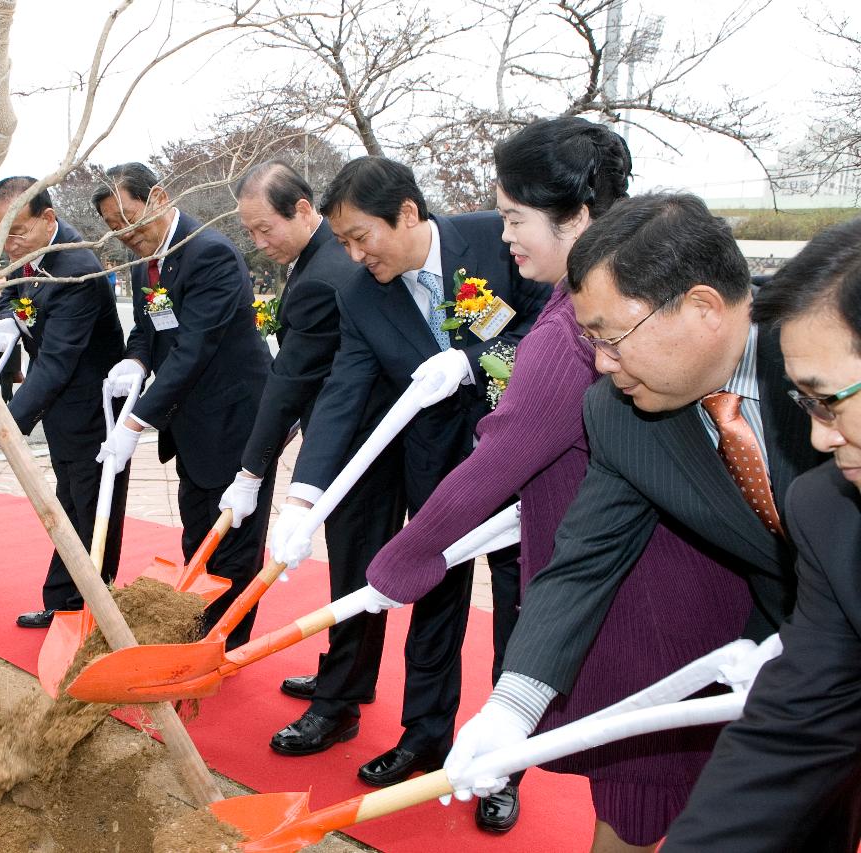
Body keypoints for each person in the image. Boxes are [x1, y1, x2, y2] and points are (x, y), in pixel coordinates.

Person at [364, 119, 752, 846]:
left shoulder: (581, 325)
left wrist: (405, 555)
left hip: (645, 597)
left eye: (515, 218)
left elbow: (505, 451)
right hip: (638, 567)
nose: (504, 236)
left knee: (642, 794)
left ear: (576, 216)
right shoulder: (592, 313)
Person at [443, 193, 828, 837]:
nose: (600, 363)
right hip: (775, 653)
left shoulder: (830, 353)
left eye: (611, 338)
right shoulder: (618, 411)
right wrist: (511, 708)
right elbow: (585, 561)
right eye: (590, 340)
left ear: (703, 308)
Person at [266, 156, 547, 792]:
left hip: (523, 455)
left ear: (409, 214)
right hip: (436, 462)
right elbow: (345, 387)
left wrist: (472, 362)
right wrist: (303, 497)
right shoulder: (365, 296)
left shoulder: (497, 245)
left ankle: (505, 769)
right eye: (341, 243)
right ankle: (423, 737)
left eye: (361, 237)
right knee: (435, 601)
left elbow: (547, 325)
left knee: (517, 607)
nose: (355, 254)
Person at [662, 218, 861, 851]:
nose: (819, 437)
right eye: (805, 404)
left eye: (830, 401)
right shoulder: (828, 512)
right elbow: (798, 725)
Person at [217, 161, 405, 757]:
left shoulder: (326, 275)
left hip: (363, 448)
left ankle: (339, 705)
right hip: (343, 438)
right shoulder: (316, 263)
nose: (259, 243)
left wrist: (251, 470)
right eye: (251, 232)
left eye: (265, 228)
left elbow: (289, 382)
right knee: (350, 567)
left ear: (303, 209)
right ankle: (346, 677)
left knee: (356, 572)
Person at [92, 162, 274, 648]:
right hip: (191, 421)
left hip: (236, 416)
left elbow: (195, 347)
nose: (125, 234)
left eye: (129, 218)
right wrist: (134, 359)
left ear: (158, 196)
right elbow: (150, 330)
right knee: (198, 531)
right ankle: (198, 625)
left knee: (233, 536)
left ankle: (223, 643)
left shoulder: (209, 254)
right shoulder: (147, 261)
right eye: (114, 228)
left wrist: (135, 421)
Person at [0, 176, 128, 628]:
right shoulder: (27, 252)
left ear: (48, 218)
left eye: (16, 232)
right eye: (0, 234)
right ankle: (63, 599)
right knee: (68, 499)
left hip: (92, 404)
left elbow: (57, 363)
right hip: (60, 401)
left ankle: (93, 604)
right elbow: (16, 298)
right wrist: (8, 323)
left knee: (92, 502)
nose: (9, 243)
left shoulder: (74, 266)